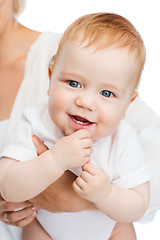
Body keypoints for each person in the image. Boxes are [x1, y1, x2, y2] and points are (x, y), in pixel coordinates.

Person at [0, 12, 151, 240]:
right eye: (73, 83)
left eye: (107, 93)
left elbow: (139, 204)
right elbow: (8, 186)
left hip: (109, 232)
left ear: (127, 104)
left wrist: (106, 196)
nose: (85, 102)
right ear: (50, 79)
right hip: (44, 229)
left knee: (124, 229)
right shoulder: (35, 123)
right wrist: (54, 160)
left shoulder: (123, 139)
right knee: (31, 233)